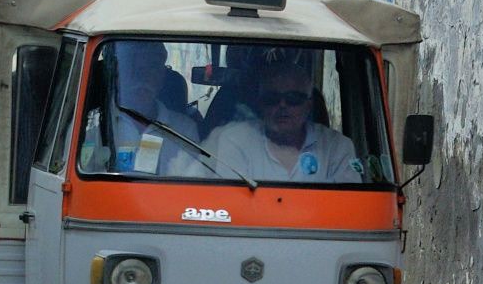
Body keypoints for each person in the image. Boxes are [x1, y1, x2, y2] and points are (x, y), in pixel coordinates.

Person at [200, 56, 361, 183]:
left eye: (293, 99)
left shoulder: (336, 147)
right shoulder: (234, 139)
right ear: (260, 104)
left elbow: (351, 206)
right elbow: (231, 202)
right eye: (272, 99)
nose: (282, 106)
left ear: (308, 105)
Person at [80, 40, 199, 174]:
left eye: (151, 68)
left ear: (162, 77)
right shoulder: (91, 126)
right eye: (134, 67)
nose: (142, 78)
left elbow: (193, 180)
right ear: (117, 75)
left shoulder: (184, 130)